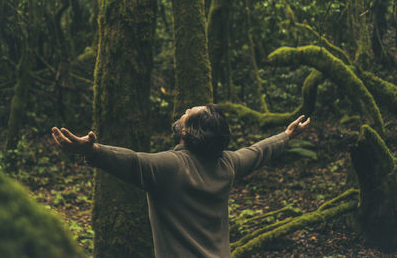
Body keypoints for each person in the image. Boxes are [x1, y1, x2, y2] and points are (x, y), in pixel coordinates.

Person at [51, 103, 310, 258]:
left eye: (189, 112)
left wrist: (92, 151)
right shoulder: (227, 164)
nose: (184, 111)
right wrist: (286, 136)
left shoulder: (169, 167)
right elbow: (257, 152)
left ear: (188, 131)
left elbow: (131, 162)